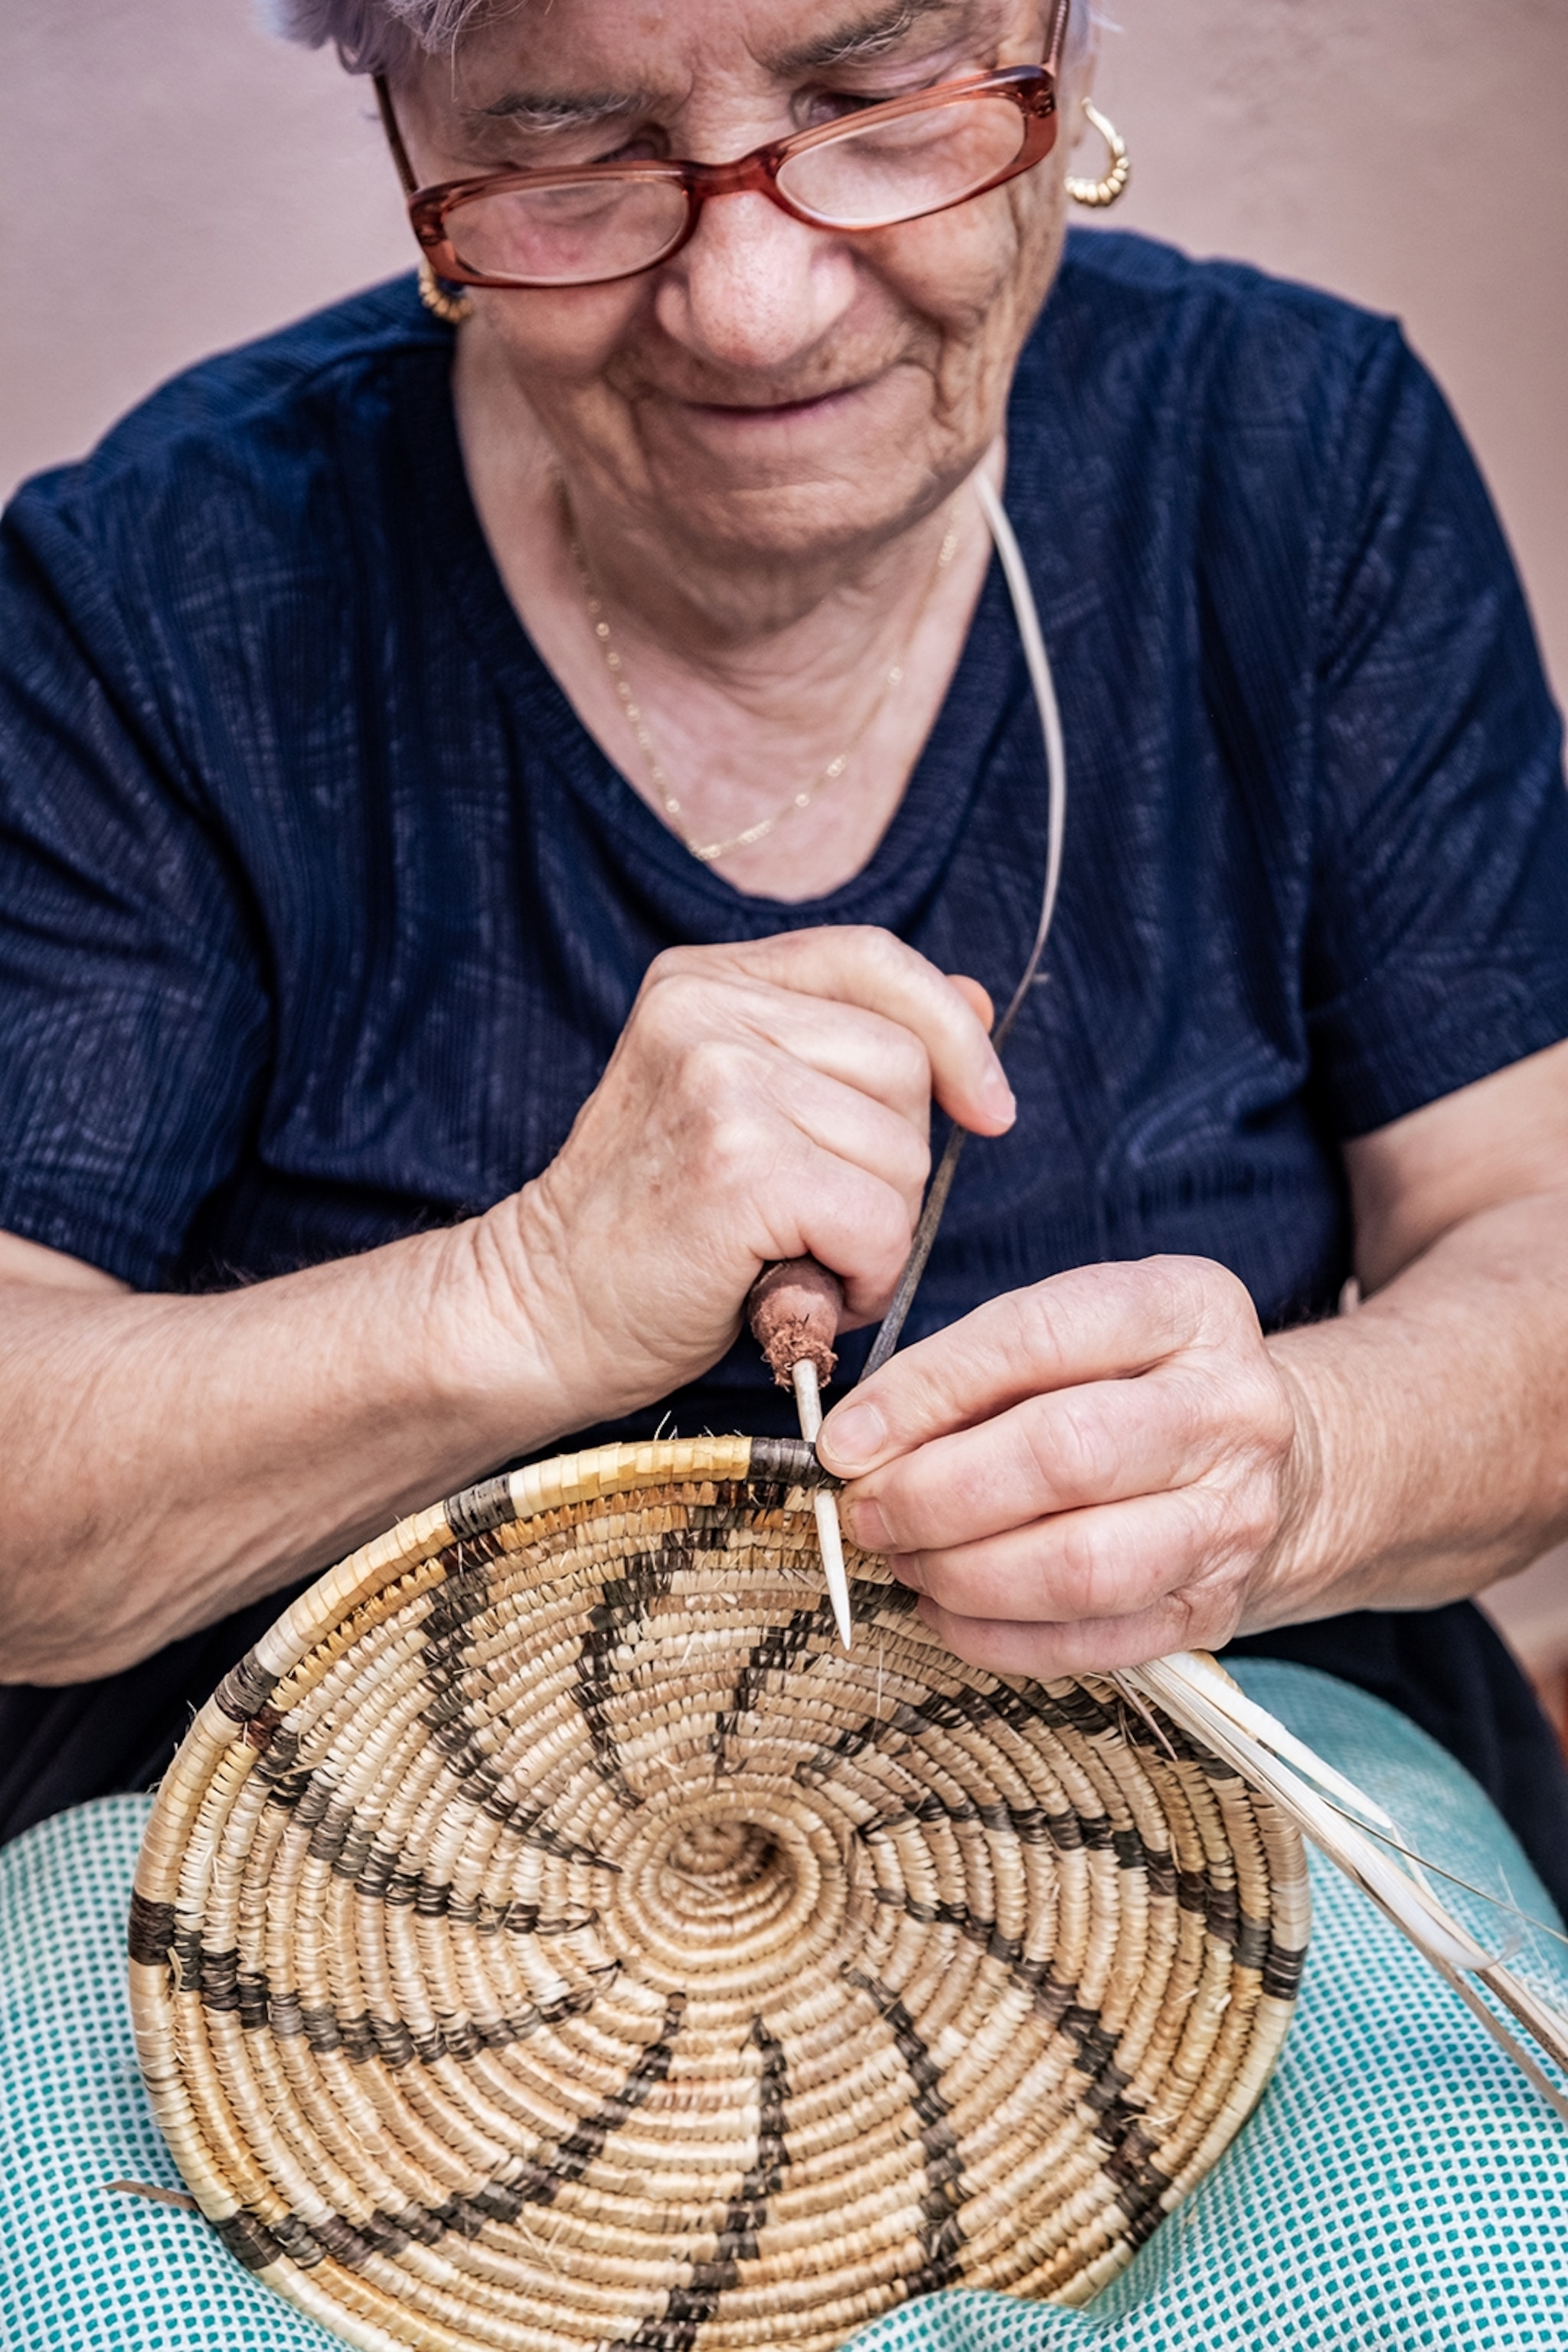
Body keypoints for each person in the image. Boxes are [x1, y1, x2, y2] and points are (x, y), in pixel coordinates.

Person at [2, 0, 1567, 1907]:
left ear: (1061, 49)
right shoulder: (165, 600)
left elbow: (1529, 1229)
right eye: (569, 146)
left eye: (877, 98)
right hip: (338, 1877)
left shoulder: (1296, 462)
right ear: (409, 144)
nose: (749, 304)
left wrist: (1307, 1461)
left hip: (1209, 1785)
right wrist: (526, 1293)